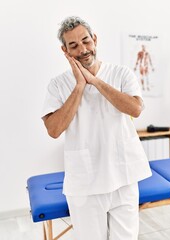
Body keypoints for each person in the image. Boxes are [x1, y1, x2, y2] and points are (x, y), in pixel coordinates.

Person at [41, 16, 151, 240]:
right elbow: (53, 130)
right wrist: (80, 86)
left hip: (124, 177)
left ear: (95, 39)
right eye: (73, 45)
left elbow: (135, 109)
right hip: (85, 184)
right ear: (65, 51)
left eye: (86, 41)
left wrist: (96, 82)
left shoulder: (121, 74)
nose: (82, 49)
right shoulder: (58, 85)